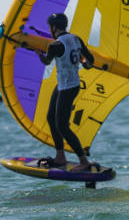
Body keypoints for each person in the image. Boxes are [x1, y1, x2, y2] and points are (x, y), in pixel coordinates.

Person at [34, 11, 96, 171]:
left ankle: (84, 161)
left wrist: (39, 53)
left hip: (67, 88)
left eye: (50, 27)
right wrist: (85, 63)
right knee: (51, 117)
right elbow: (90, 61)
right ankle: (60, 156)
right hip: (67, 84)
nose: (49, 30)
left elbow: (46, 61)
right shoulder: (76, 39)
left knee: (62, 126)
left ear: (54, 28)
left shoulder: (55, 45)